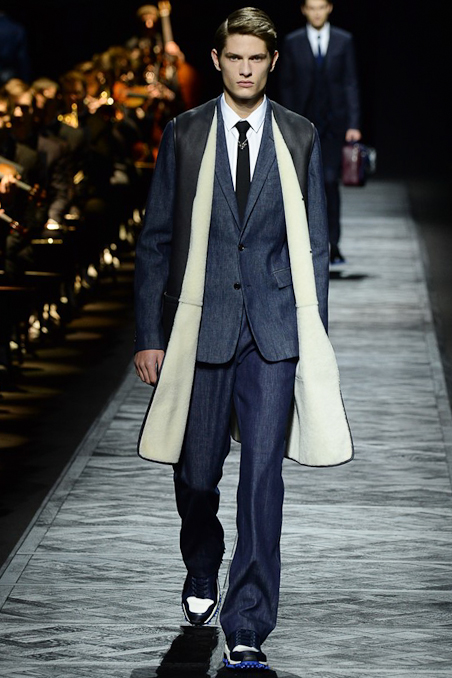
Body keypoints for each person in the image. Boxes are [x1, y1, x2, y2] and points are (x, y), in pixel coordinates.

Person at [134, 7, 352, 671]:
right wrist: (149, 334)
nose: (246, 69)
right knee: (196, 474)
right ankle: (203, 562)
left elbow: (313, 243)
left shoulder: (300, 135)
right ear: (218, 59)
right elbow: (157, 239)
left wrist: (313, 333)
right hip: (202, 327)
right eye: (235, 58)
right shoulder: (185, 134)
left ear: (272, 62)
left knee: (262, 480)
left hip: (273, 330)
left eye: (257, 59)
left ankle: (249, 624)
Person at [279, 0, 361, 264]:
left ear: (329, 8)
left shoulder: (343, 40)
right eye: (311, 7)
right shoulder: (292, 42)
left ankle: (333, 245)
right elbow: (286, 85)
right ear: (303, 9)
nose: (316, 12)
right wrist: (287, 123)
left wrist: (354, 123)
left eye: (321, 7)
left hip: (335, 126)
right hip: (302, 125)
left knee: (329, 182)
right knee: (301, 186)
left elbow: (350, 82)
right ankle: (304, 245)